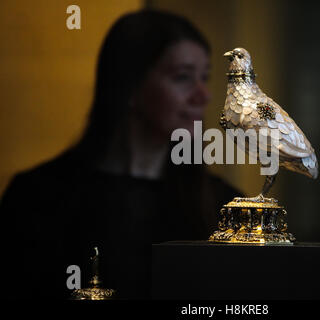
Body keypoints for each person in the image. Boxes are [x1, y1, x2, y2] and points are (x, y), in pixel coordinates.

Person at [0, 9, 241, 299]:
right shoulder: (36, 197)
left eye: (205, 77)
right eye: (183, 77)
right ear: (130, 86)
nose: (204, 95)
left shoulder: (225, 207)